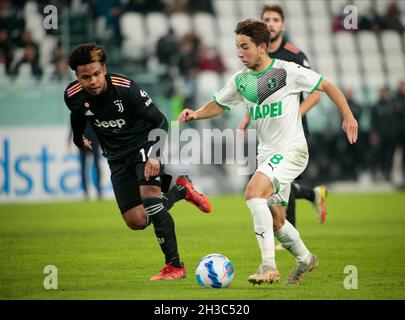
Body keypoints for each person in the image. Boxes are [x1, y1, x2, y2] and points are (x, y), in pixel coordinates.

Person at [178, 19, 358, 285]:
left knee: (252, 192)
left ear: (262, 47)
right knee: (276, 221)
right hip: (267, 154)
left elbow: (327, 86)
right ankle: (306, 259)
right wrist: (196, 114)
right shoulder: (241, 80)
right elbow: (218, 103)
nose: (240, 53)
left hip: (291, 150)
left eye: (245, 47)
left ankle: (268, 266)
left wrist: (348, 116)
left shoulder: (287, 71)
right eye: (237, 47)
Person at [64, 43, 212, 281]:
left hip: (144, 144)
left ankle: (175, 266)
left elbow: (161, 122)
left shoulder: (126, 89)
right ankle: (179, 189)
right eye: (85, 77)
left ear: (104, 69)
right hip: (115, 157)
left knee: (151, 200)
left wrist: (154, 154)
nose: (92, 81)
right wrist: (78, 138)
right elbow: (78, 116)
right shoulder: (72, 95)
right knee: (136, 221)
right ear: (77, 77)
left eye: (96, 74)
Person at [238, 5, 328, 227]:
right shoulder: (257, 57)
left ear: (283, 25)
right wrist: (247, 118)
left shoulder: (294, 56)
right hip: (268, 128)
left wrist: (292, 115)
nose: (271, 23)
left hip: (293, 130)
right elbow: (254, 94)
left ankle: (288, 230)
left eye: (275, 20)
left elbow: (316, 95)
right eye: (266, 19)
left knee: (283, 180)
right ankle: (313, 195)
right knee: (275, 181)